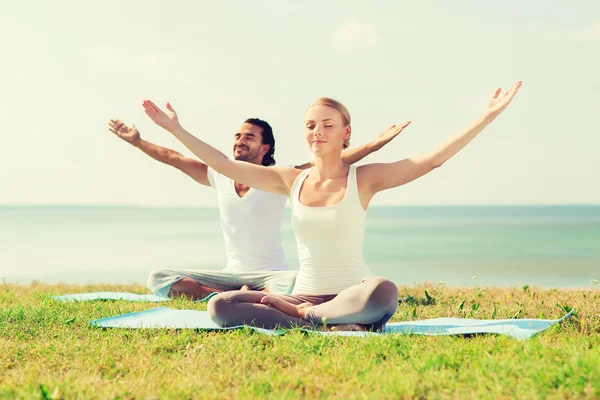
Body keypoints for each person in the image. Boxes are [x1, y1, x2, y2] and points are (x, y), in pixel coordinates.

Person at [142, 80, 521, 330]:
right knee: (220, 307)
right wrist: (175, 129)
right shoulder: (291, 179)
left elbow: (432, 159)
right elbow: (223, 165)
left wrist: (484, 118)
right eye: (310, 125)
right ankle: (323, 319)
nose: (317, 132)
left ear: (346, 133)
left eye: (327, 125)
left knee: (382, 291)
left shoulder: (365, 178)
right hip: (301, 293)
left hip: (349, 290)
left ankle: (308, 317)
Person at [108, 115, 408, 300]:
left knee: (294, 283)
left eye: (249, 137)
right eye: (237, 135)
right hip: (229, 276)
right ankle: (227, 297)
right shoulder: (218, 174)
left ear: (265, 149)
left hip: (272, 277)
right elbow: (171, 157)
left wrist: (375, 143)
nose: (240, 140)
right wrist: (137, 141)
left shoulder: (285, 179)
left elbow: (337, 161)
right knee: (157, 277)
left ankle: (241, 297)